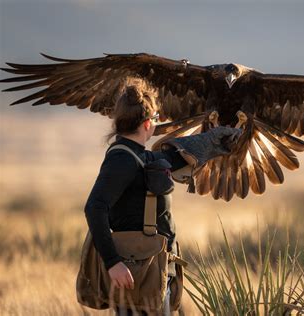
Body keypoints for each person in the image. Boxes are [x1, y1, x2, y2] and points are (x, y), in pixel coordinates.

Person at [83, 78, 241, 315]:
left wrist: (212, 141)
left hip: (148, 269)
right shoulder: (122, 160)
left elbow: (166, 159)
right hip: (133, 270)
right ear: (148, 124)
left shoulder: (137, 156)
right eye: (156, 119)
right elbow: (94, 207)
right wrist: (112, 262)